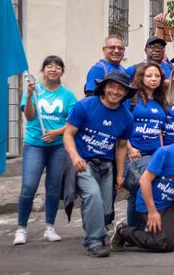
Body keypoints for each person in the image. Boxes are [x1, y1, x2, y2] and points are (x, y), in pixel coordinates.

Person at [62, 71, 134, 257]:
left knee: (106, 208)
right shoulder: (85, 106)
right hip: (83, 163)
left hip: (107, 165)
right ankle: (93, 242)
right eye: (111, 86)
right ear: (103, 87)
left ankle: (97, 232)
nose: (115, 91)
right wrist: (75, 157)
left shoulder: (127, 117)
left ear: (126, 93)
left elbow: (121, 145)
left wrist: (119, 175)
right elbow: (68, 134)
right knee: (92, 196)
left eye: (120, 88)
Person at [109, 122, 174, 253]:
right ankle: (123, 231)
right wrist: (152, 211)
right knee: (163, 244)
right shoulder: (165, 152)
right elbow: (145, 181)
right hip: (152, 205)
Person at [14, 55, 77, 245]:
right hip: (34, 145)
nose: (53, 69)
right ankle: (21, 229)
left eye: (58, 66)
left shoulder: (68, 95)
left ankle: (50, 227)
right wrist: (31, 96)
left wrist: (56, 132)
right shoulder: (34, 90)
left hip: (58, 147)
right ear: (43, 70)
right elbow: (30, 116)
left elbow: (74, 123)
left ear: (62, 71)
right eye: (49, 66)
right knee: (29, 186)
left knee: (53, 187)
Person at [123, 62, 168, 230]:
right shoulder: (131, 99)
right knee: (137, 187)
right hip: (135, 152)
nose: (153, 79)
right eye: (149, 76)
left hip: (155, 153)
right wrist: (129, 148)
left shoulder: (160, 100)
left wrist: (162, 151)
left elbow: (160, 131)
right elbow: (122, 125)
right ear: (141, 77)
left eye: (157, 76)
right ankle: (133, 229)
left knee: (149, 188)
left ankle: (146, 228)